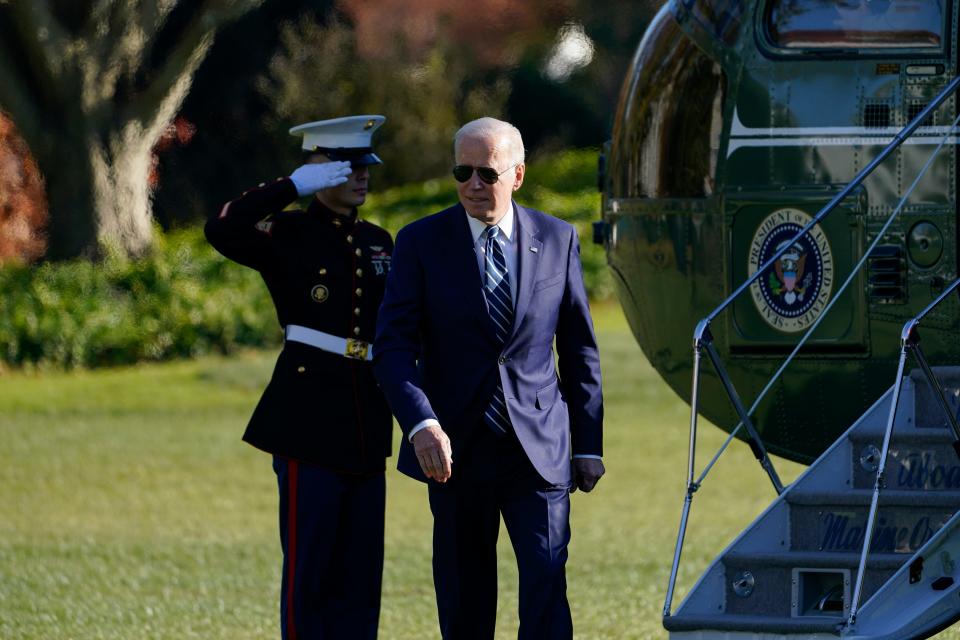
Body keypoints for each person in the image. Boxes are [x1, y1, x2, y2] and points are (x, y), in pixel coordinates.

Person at [373, 117, 605, 640]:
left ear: (517, 175)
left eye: (487, 172)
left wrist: (588, 444)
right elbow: (391, 350)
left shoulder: (558, 237)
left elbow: (579, 350)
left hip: (539, 451)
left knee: (546, 594)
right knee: (464, 604)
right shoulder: (419, 243)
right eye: (462, 171)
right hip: (454, 452)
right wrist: (420, 423)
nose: (474, 184)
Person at [204, 115, 393, 640]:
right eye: (347, 167)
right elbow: (221, 228)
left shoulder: (379, 241)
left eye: (365, 166)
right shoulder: (286, 232)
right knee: (309, 576)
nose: (361, 176)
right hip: (306, 422)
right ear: (319, 169)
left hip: (366, 422)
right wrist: (291, 187)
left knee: (360, 580)